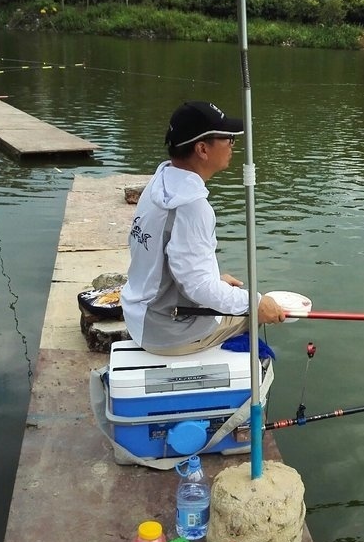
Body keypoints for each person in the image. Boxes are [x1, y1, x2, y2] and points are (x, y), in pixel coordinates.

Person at [120, 99, 285, 355]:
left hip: (137, 312)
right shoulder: (192, 207)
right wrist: (257, 302)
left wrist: (213, 279)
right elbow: (198, 287)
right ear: (202, 149)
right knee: (259, 314)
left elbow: (166, 260)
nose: (232, 145)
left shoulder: (160, 182)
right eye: (227, 138)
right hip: (165, 331)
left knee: (235, 298)